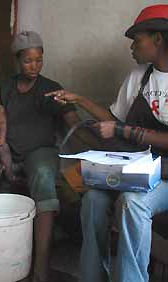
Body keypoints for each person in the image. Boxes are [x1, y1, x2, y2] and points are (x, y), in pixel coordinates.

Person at [0, 30, 87, 282]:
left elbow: (73, 122)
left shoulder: (51, 89)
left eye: (39, 60)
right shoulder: (3, 88)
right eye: (27, 60)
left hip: (39, 153)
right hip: (3, 155)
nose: (34, 66)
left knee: (44, 174)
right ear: (17, 60)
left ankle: (41, 264)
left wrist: (92, 141)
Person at [50, 4, 168, 282]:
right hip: (133, 170)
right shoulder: (138, 77)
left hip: (163, 176)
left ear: (158, 39)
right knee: (91, 198)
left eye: (137, 40)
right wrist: (79, 100)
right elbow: (113, 119)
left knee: (133, 202)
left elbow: (118, 127)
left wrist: (121, 130)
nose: (131, 47)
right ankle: (92, 277)